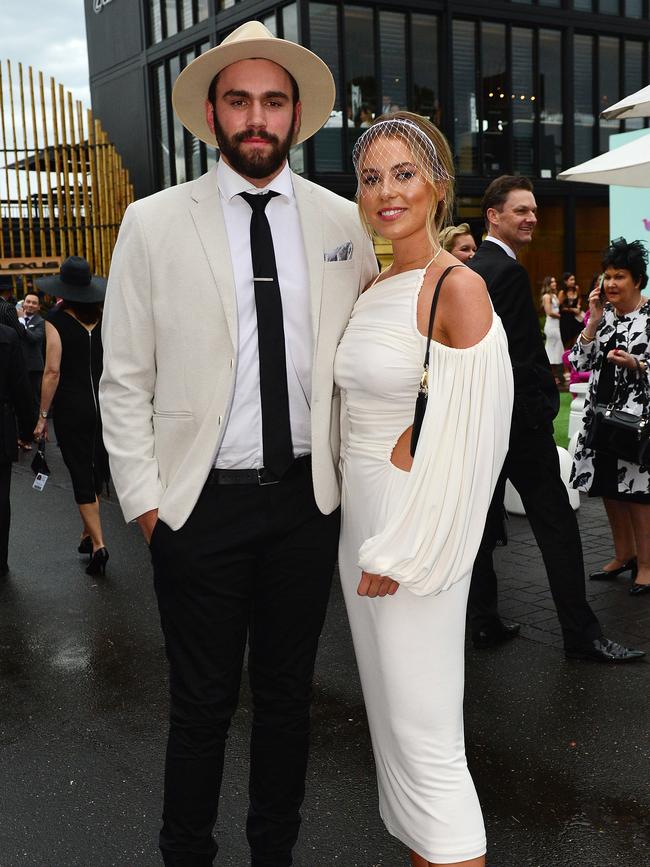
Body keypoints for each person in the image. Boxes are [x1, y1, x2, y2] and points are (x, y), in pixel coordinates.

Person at [99, 21, 377, 867]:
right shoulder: (150, 223)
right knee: (202, 703)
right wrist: (148, 508)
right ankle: (186, 851)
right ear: (213, 114)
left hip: (305, 502)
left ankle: (274, 853)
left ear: (295, 116)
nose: (256, 117)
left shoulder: (342, 221)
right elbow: (123, 382)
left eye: (273, 101)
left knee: (290, 700)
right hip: (198, 506)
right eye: (239, 100)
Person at [335, 112, 513, 867]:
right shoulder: (378, 281)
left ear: (439, 185)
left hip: (411, 534)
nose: (386, 191)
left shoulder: (457, 285)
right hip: (362, 525)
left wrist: (405, 549)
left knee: (427, 736)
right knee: (396, 731)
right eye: (372, 177)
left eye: (403, 173)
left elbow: (475, 442)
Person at [467, 174, 644, 663]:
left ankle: (483, 622)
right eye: (521, 210)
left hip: (486, 426)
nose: (532, 218)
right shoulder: (499, 272)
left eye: (534, 210)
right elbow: (513, 359)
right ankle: (581, 635)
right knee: (559, 530)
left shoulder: (474, 268)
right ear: (494, 216)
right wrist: (542, 409)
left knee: (481, 527)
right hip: (518, 426)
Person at [570, 238, 650, 597]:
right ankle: (624, 554)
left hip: (636, 424)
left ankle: (647, 565)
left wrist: (637, 364)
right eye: (607, 276)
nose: (612, 284)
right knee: (608, 490)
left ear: (638, 280)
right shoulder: (604, 318)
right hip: (601, 420)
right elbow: (579, 363)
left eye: (620, 276)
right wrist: (592, 322)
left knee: (637, 495)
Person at [34, 257, 110, 576]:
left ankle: (99, 546)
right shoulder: (104, 317)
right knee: (95, 466)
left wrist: (41, 416)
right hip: (105, 406)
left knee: (79, 470)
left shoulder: (55, 320)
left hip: (72, 407)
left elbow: (52, 370)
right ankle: (86, 533)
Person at [0, 323, 34, 578]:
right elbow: (21, 389)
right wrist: (25, 430)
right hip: (1, 424)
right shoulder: (7, 336)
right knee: (1, 497)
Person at [20, 292, 45, 415]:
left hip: (33, 368)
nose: (30, 305)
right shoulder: (15, 320)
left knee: (34, 399)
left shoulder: (41, 322)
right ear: (23, 303)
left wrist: (20, 322)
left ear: (39, 307)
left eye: (34, 303)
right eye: (28, 301)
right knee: (20, 399)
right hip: (18, 366)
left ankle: (38, 429)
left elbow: (34, 338)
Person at [541, 275, 563, 384]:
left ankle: (555, 376)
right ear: (548, 284)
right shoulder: (546, 296)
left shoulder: (554, 295)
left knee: (557, 348)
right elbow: (549, 312)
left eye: (555, 282)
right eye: (552, 282)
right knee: (551, 349)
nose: (554, 284)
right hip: (551, 325)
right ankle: (552, 376)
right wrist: (562, 316)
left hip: (557, 324)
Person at [559, 271, 584, 349]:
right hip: (566, 319)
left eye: (574, 279)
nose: (573, 281)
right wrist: (572, 310)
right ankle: (567, 358)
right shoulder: (562, 293)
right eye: (571, 280)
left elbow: (580, 297)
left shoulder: (576, 288)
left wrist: (578, 305)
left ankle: (575, 356)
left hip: (576, 318)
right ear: (565, 281)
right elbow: (561, 307)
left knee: (577, 337)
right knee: (567, 340)